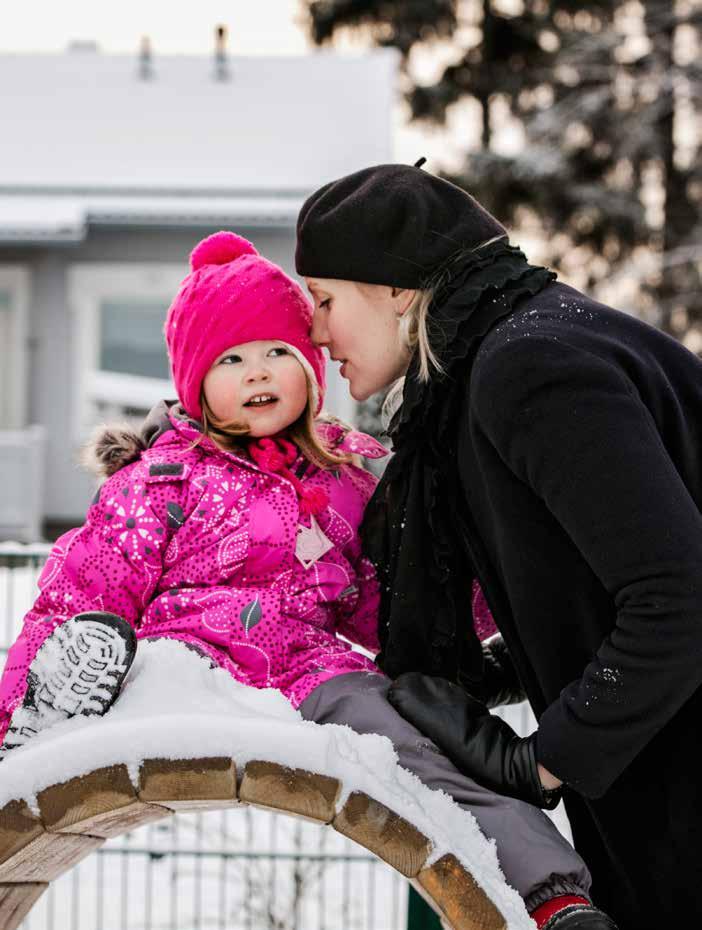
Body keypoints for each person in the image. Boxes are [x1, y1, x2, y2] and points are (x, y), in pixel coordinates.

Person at [0, 231, 608, 928]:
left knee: (417, 750)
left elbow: (388, 601)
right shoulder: (160, 480)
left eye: (278, 353)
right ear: (194, 382)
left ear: (311, 368)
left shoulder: (345, 478)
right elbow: (78, 595)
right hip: (173, 669)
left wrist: (483, 599)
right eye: (231, 359)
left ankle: (551, 896)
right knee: (95, 657)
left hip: (310, 670)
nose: (258, 373)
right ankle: (44, 716)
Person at [295, 161, 702, 929]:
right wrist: (497, 672)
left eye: (323, 300)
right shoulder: (517, 350)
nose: (314, 332)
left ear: (394, 287)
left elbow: (678, 596)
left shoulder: (531, 366)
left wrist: (545, 759)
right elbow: (609, 575)